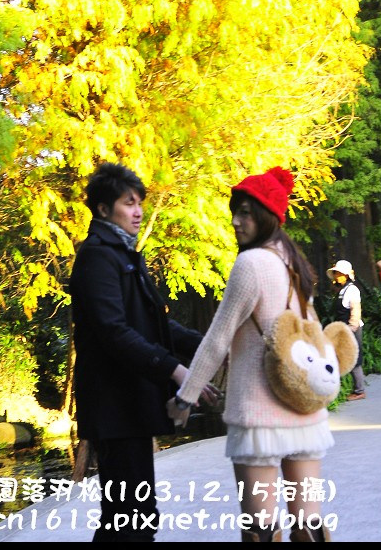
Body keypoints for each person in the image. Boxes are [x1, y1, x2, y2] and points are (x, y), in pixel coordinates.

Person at [167, 167, 334, 543]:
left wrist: (185, 397)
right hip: (304, 407)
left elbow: (217, 338)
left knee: (261, 529)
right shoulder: (294, 262)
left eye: (245, 213)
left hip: (260, 415)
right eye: (235, 213)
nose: (235, 222)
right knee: (309, 526)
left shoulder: (251, 264)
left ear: (266, 216)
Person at [69, 161, 218, 542]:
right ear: (104, 209)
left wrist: (209, 346)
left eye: (139, 203)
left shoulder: (125, 254)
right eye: (128, 203)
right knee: (131, 518)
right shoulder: (98, 257)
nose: (137, 211)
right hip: (113, 406)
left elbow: (155, 325)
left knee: (131, 516)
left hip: (129, 403)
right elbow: (114, 332)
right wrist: (175, 370)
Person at [326, 259, 366, 399]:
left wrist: (351, 328)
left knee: (354, 359)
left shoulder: (352, 289)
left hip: (351, 329)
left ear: (346, 275)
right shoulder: (342, 289)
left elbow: (356, 310)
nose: (336, 275)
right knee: (342, 358)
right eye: (336, 273)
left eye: (339, 273)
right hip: (343, 329)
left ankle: (360, 391)